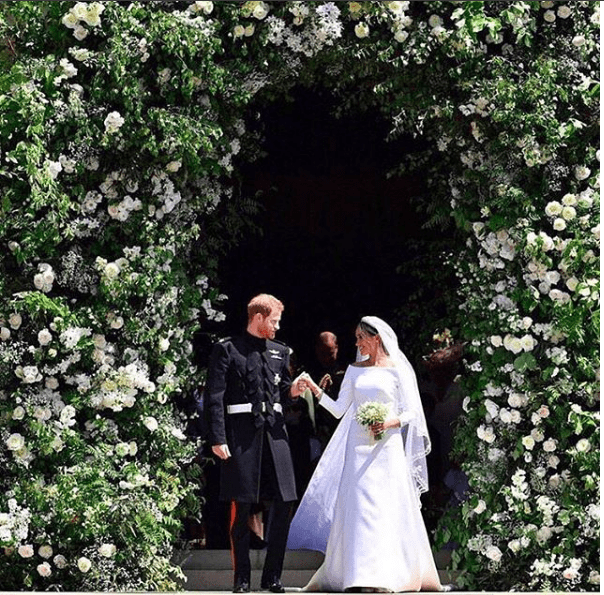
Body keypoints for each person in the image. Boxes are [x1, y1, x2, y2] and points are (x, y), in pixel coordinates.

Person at [287, 316, 451, 593]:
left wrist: (389, 423)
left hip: (387, 446)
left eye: (361, 337)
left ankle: (387, 575)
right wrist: (316, 390)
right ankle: (357, 574)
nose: (357, 343)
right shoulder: (354, 370)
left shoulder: (397, 369)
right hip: (357, 447)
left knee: (386, 507)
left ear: (375, 338)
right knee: (360, 508)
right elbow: (340, 410)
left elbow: (412, 411)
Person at [205, 294, 306, 593]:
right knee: (242, 503)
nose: (277, 326)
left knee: (285, 500)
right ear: (258, 317)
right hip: (242, 435)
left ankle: (273, 575)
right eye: (273, 320)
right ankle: (242, 577)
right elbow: (215, 397)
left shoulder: (280, 351)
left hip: (275, 435)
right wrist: (218, 438)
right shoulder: (227, 349)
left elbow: (283, 392)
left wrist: (295, 391)